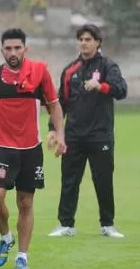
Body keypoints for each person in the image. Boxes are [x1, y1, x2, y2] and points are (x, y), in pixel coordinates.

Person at [0, 28, 66, 269]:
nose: (13, 53)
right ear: (1, 51)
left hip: (31, 149)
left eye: (17, 48)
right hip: (2, 148)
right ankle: (5, 236)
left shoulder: (40, 71)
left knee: (25, 202)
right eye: (8, 49)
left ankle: (22, 255)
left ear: (25, 49)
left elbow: (54, 105)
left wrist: (60, 134)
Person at [49, 24, 127, 238]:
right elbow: (61, 103)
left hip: (100, 135)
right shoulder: (70, 70)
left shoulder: (108, 66)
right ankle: (66, 224)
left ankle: (107, 225)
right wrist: (53, 129)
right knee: (69, 180)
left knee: (103, 180)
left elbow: (121, 90)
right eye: (81, 39)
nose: (84, 43)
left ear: (98, 42)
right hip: (74, 135)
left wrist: (101, 86)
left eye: (88, 39)